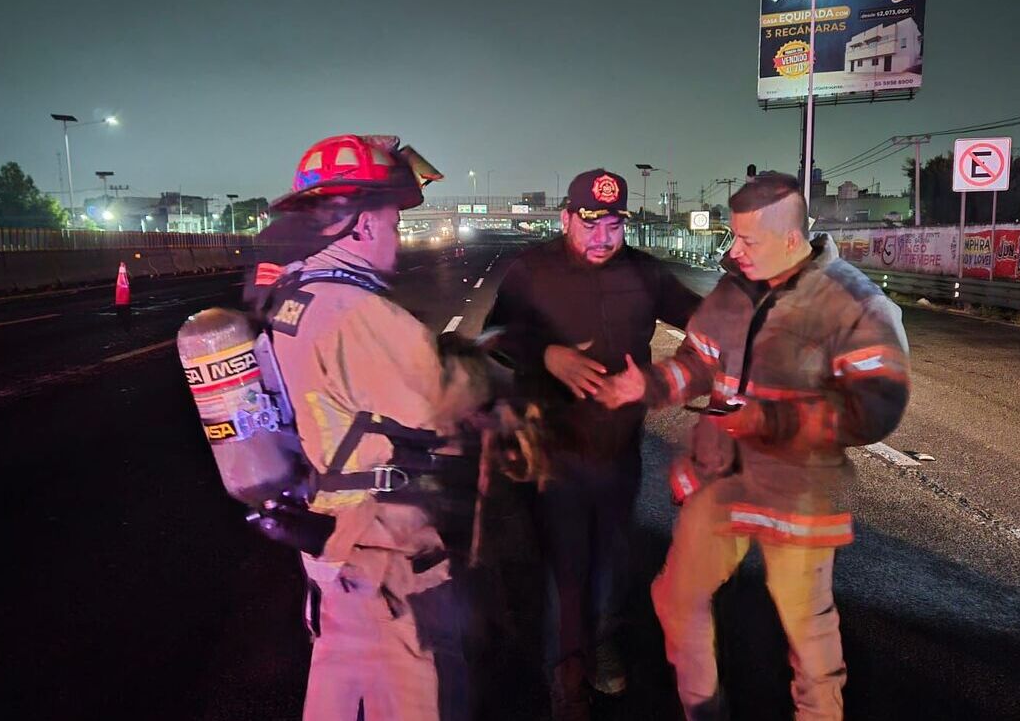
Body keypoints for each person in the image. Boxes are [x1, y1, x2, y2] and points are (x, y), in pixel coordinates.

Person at [597, 173, 911, 720]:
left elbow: (876, 407)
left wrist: (770, 418)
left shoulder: (855, 304)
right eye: (733, 236)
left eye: (747, 241)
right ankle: (704, 711)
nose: (732, 250)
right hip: (721, 479)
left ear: (791, 240)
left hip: (797, 493)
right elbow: (698, 362)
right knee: (674, 597)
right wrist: (647, 385)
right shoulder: (733, 289)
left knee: (809, 637)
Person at [247, 134, 480, 720]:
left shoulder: (291, 295)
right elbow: (449, 408)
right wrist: (483, 365)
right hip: (386, 565)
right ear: (362, 224)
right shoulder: (364, 316)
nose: (397, 232)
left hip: (331, 558)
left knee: (335, 690)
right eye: (393, 218)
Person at [483, 168, 700, 719]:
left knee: (611, 560)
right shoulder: (531, 270)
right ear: (565, 219)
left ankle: (598, 641)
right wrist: (548, 355)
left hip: (620, 450)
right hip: (552, 450)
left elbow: (705, 325)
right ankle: (567, 678)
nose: (603, 237)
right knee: (568, 569)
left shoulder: (645, 273)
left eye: (614, 225)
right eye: (590, 223)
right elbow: (495, 337)